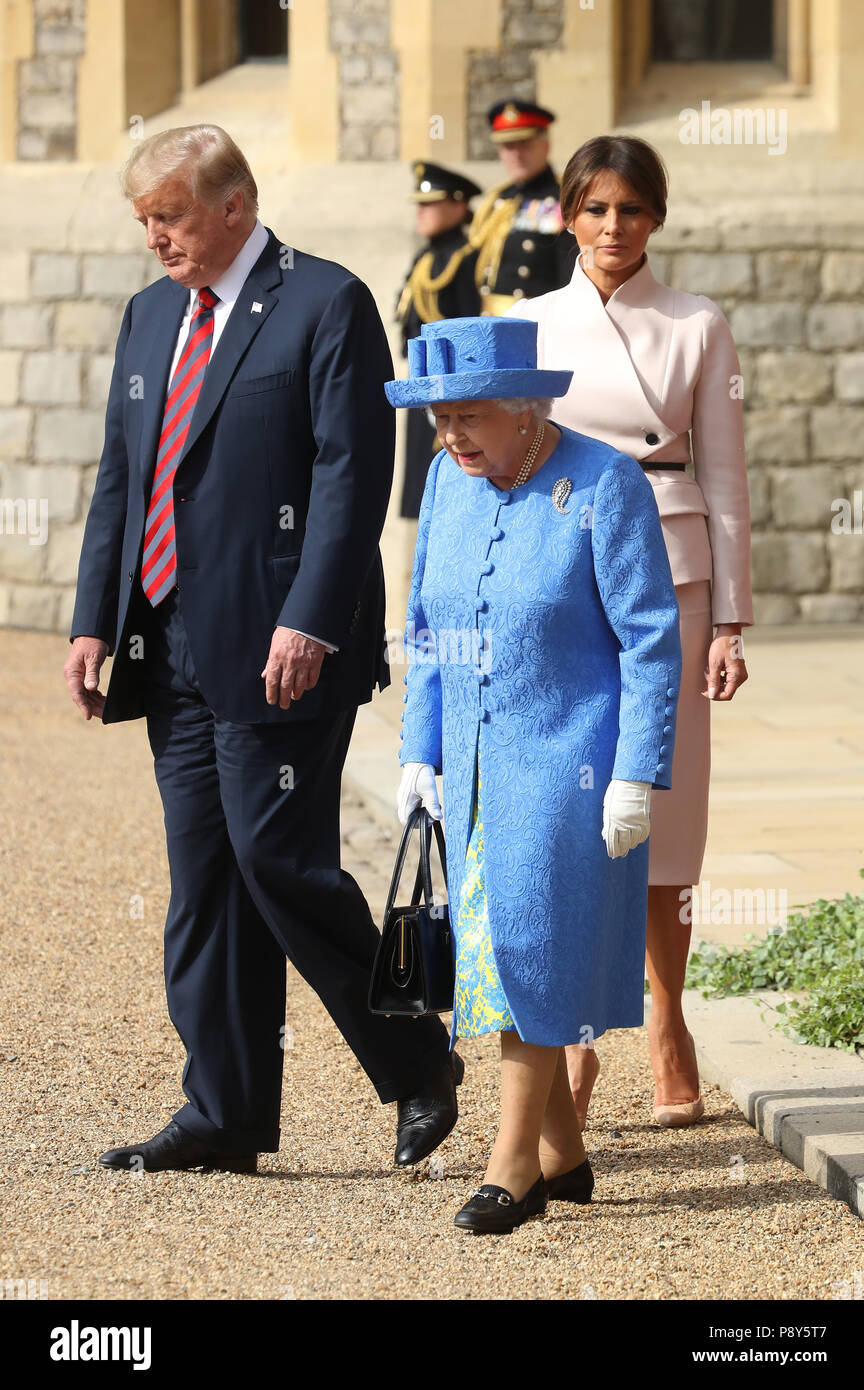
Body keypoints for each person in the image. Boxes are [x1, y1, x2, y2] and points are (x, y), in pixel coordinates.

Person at [62, 123, 462, 1176]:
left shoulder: (326, 302)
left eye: (170, 216)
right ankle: (225, 1111)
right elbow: (124, 476)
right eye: (142, 219)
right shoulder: (151, 315)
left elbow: (350, 475)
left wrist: (312, 616)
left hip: (287, 643)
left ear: (235, 203)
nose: (153, 238)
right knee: (205, 880)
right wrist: (93, 618)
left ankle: (420, 1059)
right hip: (170, 643)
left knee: (277, 862)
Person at [387, 316, 682, 1231]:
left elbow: (650, 642)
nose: (451, 437)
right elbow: (429, 627)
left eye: (468, 417)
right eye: (439, 420)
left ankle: (510, 1164)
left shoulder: (605, 482)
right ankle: (564, 1152)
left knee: (531, 942)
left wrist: (637, 771)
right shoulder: (445, 478)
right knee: (497, 946)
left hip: (573, 767)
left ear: (529, 409)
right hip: (473, 768)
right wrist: (417, 749)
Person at [506, 135, 753, 1128]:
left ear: (657, 216)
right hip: (564, 570)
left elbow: (728, 473)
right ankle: (569, 1036)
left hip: (677, 564)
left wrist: (731, 617)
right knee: (564, 804)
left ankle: (666, 1019)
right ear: (565, 214)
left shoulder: (699, 324)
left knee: (665, 809)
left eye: (632, 209)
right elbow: (504, 459)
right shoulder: (527, 322)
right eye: (595, 208)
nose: (613, 227)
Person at [396, 160, 482, 519]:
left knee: (457, 496)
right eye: (419, 203)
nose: (421, 211)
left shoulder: (467, 258)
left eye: (430, 204)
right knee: (426, 497)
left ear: (459, 206)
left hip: (455, 391)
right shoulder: (426, 257)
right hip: (425, 387)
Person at [467, 100, 578, 314]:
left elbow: (570, 277)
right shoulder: (497, 200)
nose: (516, 154)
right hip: (489, 321)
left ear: (546, 145)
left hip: (537, 322)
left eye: (525, 144)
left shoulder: (564, 199)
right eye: (508, 146)